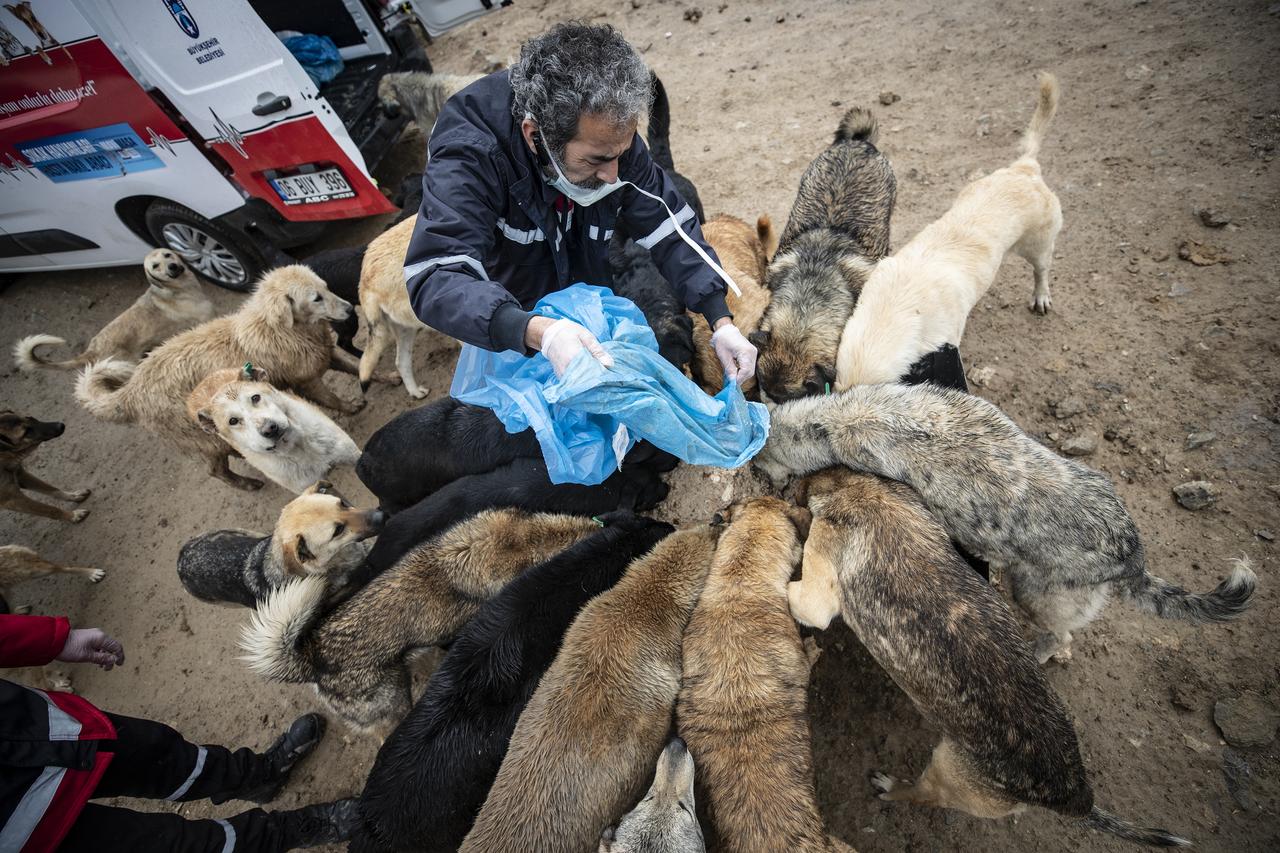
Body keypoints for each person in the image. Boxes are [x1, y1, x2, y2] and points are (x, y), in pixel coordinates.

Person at [402, 21, 758, 384]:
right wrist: (537, 331)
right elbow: (436, 274)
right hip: (513, 310)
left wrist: (720, 320)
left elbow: (669, 226)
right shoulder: (471, 153)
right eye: (596, 161)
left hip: (589, 286)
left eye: (622, 153)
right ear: (535, 136)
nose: (614, 174)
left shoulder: (608, 135)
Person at [0, 613, 356, 852]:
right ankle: (291, 831)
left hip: (33, 728)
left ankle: (259, 776)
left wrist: (47, 640)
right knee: (179, 845)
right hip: (26, 834)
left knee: (160, 754)